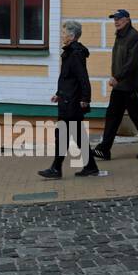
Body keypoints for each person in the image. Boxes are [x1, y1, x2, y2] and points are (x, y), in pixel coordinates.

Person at [92, 10, 138, 160]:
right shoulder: (120, 36)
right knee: (112, 117)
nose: (116, 21)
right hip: (119, 86)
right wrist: (116, 79)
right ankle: (104, 149)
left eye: (119, 19)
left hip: (130, 87)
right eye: (114, 19)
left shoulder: (134, 37)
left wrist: (117, 77)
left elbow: (132, 63)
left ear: (127, 19)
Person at [39, 20, 100, 179]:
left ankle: (56, 169)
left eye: (64, 33)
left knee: (63, 134)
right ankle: (90, 167)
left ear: (72, 36)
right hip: (67, 99)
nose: (62, 35)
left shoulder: (74, 54)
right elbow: (67, 79)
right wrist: (59, 93)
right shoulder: (70, 52)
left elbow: (82, 78)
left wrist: (85, 98)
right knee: (77, 135)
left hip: (72, 102)